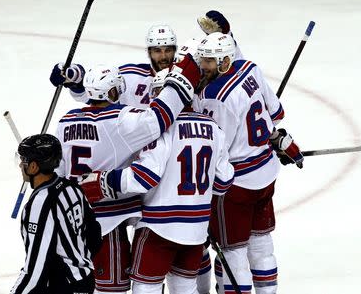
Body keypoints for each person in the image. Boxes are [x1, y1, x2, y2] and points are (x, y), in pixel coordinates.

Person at [55, 55, 201, 294]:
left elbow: (59, 170)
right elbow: (158, 118)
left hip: (74, 216)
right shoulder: (119, 120)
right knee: (112, 289)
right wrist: (181, 80)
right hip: (109, 219)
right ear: (112, 92)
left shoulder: (66, 120)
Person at [79, 74, 235, 294]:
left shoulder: (161, 129)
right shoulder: (214, 129)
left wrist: (104, 181)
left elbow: (145, 177)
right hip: (196, 230)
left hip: (158, 227)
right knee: (185, 290)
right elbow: (224, 182)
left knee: (146, 289)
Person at [195, 32, 304, 294]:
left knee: (233, 254)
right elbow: (276, 114)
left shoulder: (213, 96)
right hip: (266, 174)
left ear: (224, 62)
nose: (203, 66)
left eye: (209, 61)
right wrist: (279, 141)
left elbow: (214, 149)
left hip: (236, 186)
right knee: (262, 245)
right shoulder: (250, 68)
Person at [10, 134, 102, 294]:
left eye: (23, 160)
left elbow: (35, 270)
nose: (20, 165)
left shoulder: (41, 203)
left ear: (33, 167)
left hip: (62, 287)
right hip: (84, 280)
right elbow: (95, 235)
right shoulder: (72, 188)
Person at [49, 24, 178, 108]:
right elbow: (92, 96)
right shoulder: (128, 76)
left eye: (168, 50)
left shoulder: (187, 77)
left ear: (175, 50)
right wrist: (75, 80)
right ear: (149, 52)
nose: (163, 57)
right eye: (157, 51)